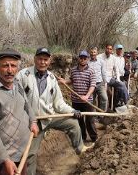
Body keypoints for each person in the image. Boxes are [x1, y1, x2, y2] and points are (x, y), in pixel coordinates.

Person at [16, 47, 92, 175]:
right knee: (30, 154)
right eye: (40, 59)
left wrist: (73, 110)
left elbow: (59, 103)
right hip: (33, 121)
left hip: (50, 117)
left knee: (73, 123)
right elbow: (16, 98)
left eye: (45, 59)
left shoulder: (52, 78)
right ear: (35, 59)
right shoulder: (23, 75)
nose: (43, 62)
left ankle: (80, 149)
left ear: (49, 61)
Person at [0, 48, 39, 175]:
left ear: (18, 68)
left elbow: (27, 106)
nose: (10, 70)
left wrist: (33, 121)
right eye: (5, 65)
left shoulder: (18, 85)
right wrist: (4, 159)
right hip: (3, 161)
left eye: (13, 66)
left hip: (22, 153)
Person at [59, 50, 97, 143]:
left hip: (87, 101)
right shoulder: (73, 70)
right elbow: (72, 80)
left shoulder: (91, 71)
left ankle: (94, 139)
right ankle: (82, 138)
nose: (83, 60)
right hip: (76, 101)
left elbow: (93, 85)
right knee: (79, 121)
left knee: (89, 121)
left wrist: (87, 96)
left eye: (85, 58)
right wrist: (64, 81)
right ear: (78, 58)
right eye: (81, 58)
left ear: (87, 59)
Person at [88, 47, 108, 112]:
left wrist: (105, 83)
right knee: (92, 101)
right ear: (89, 53)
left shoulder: (101, 62)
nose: (93, 54)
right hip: (91, 84)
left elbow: (103, 73)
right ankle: (93, 116)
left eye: (94, 52)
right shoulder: (87, 62)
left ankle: (101, 114)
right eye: (91, 52)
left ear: (97, 53)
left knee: (105, 98)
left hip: (100, 84)